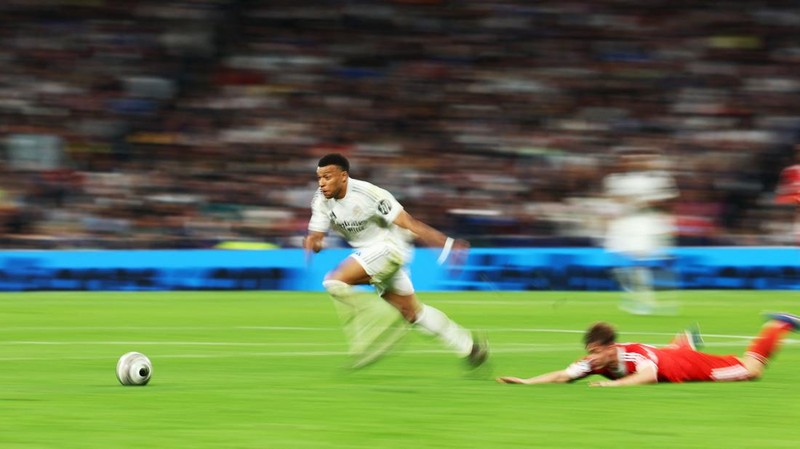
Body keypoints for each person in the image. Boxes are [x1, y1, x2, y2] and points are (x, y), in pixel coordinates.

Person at [304, 153, 488, 368]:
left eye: (327, 177)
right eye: (319, 178)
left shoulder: (370, 194)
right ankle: (469, 347)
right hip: (370, 256)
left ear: (343, 176)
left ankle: (378, 324)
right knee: (413, 313)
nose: (322, 183)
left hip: (390, 249)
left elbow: (407, 221)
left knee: (334, 281)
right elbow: (317, 236)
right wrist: (313, 243)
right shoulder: (321, 200)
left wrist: (445, 243)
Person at [496, 312, 799, 387]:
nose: (591, 358)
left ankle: (776, 325)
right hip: (669, 357)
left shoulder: (632, 354)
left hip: (690, 366)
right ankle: (682, 340)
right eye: (589, 352)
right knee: (669, 352)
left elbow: (649, 376)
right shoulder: (595, 361)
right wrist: (527, 382)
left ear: (610, 347)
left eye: (595, 352)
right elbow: (564, 375)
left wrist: (613, 387)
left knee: (751, 370)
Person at [602, 148, 679, 315]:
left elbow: (667, 199)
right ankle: (635, 296)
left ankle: (655, 301)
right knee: (618, 261)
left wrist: (642, 201)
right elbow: (615, 199)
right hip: (623, 223)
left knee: (647, 262)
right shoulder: (615, 179)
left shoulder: (659, 178)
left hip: (647, 222)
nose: (634, 162)